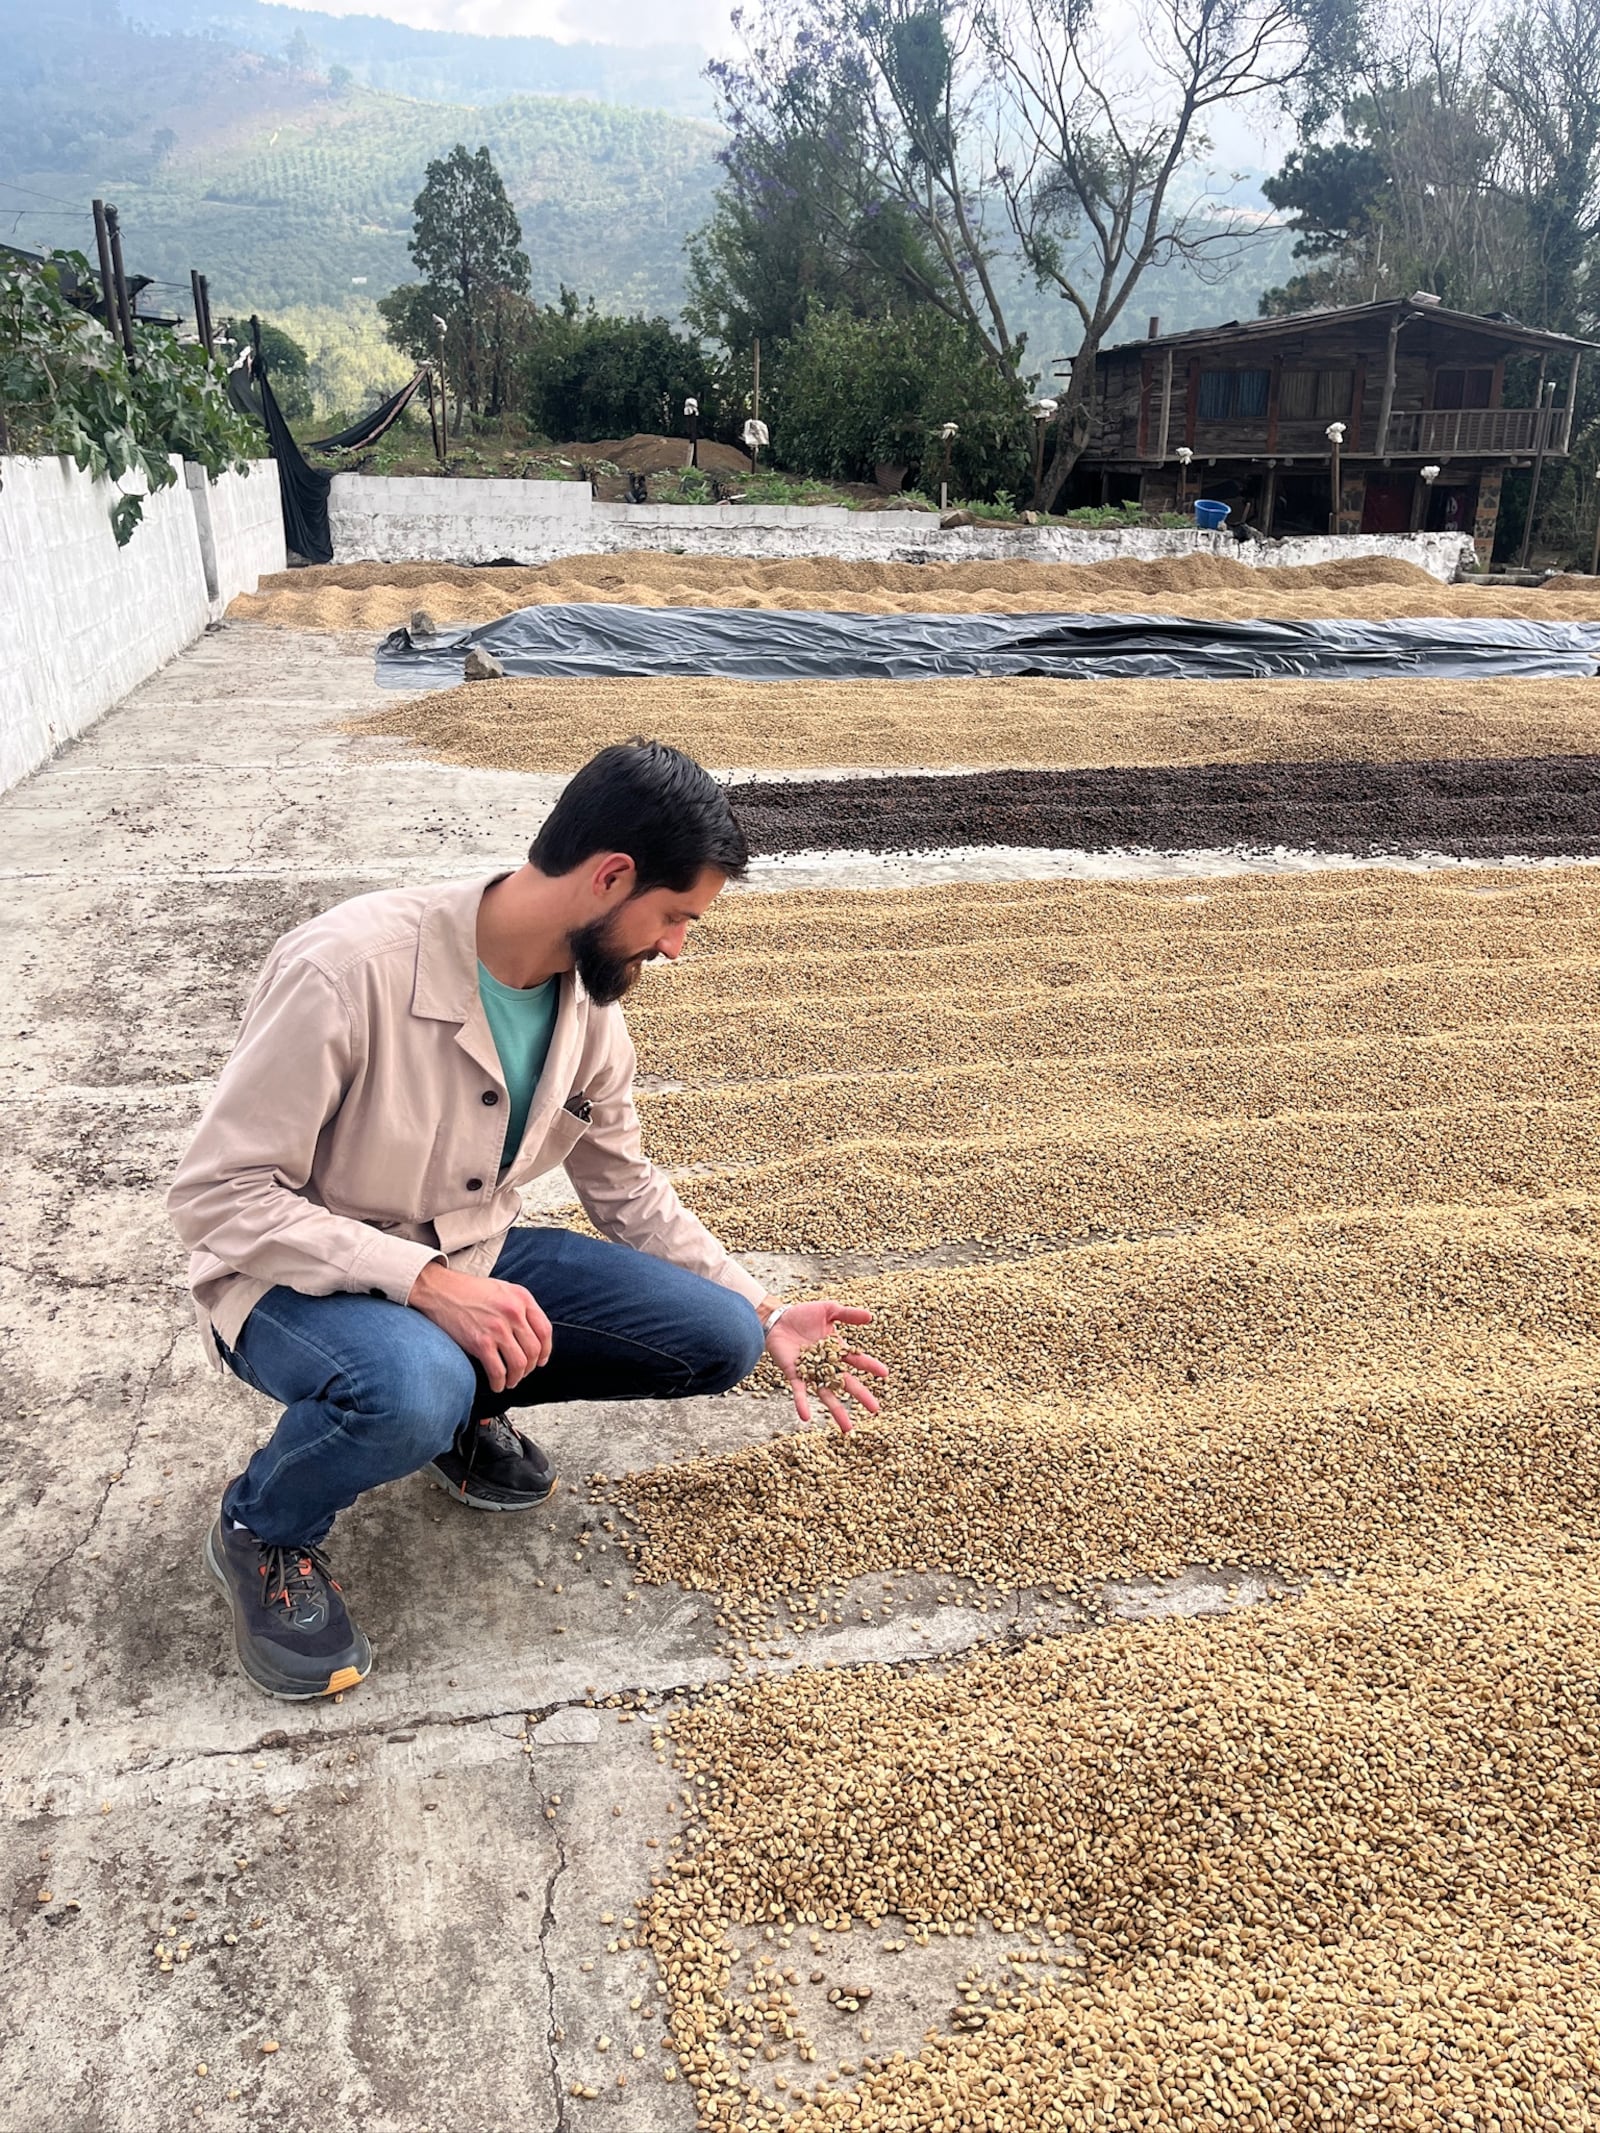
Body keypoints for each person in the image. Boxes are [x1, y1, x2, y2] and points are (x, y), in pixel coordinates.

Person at [169, 739, 886, 1700]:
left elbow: (625, 1186)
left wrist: (760, 1308)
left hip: (471, 1251)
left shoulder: (592, 1012)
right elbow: (218, 1196)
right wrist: (426, 1286)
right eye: (675, 917)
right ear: (611, 877)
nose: (675, 946)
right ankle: (265, 1525)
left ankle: (463, 1409)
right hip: (293, 1280)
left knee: (715, 1339)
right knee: (410, 1384)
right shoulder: (346, 970)